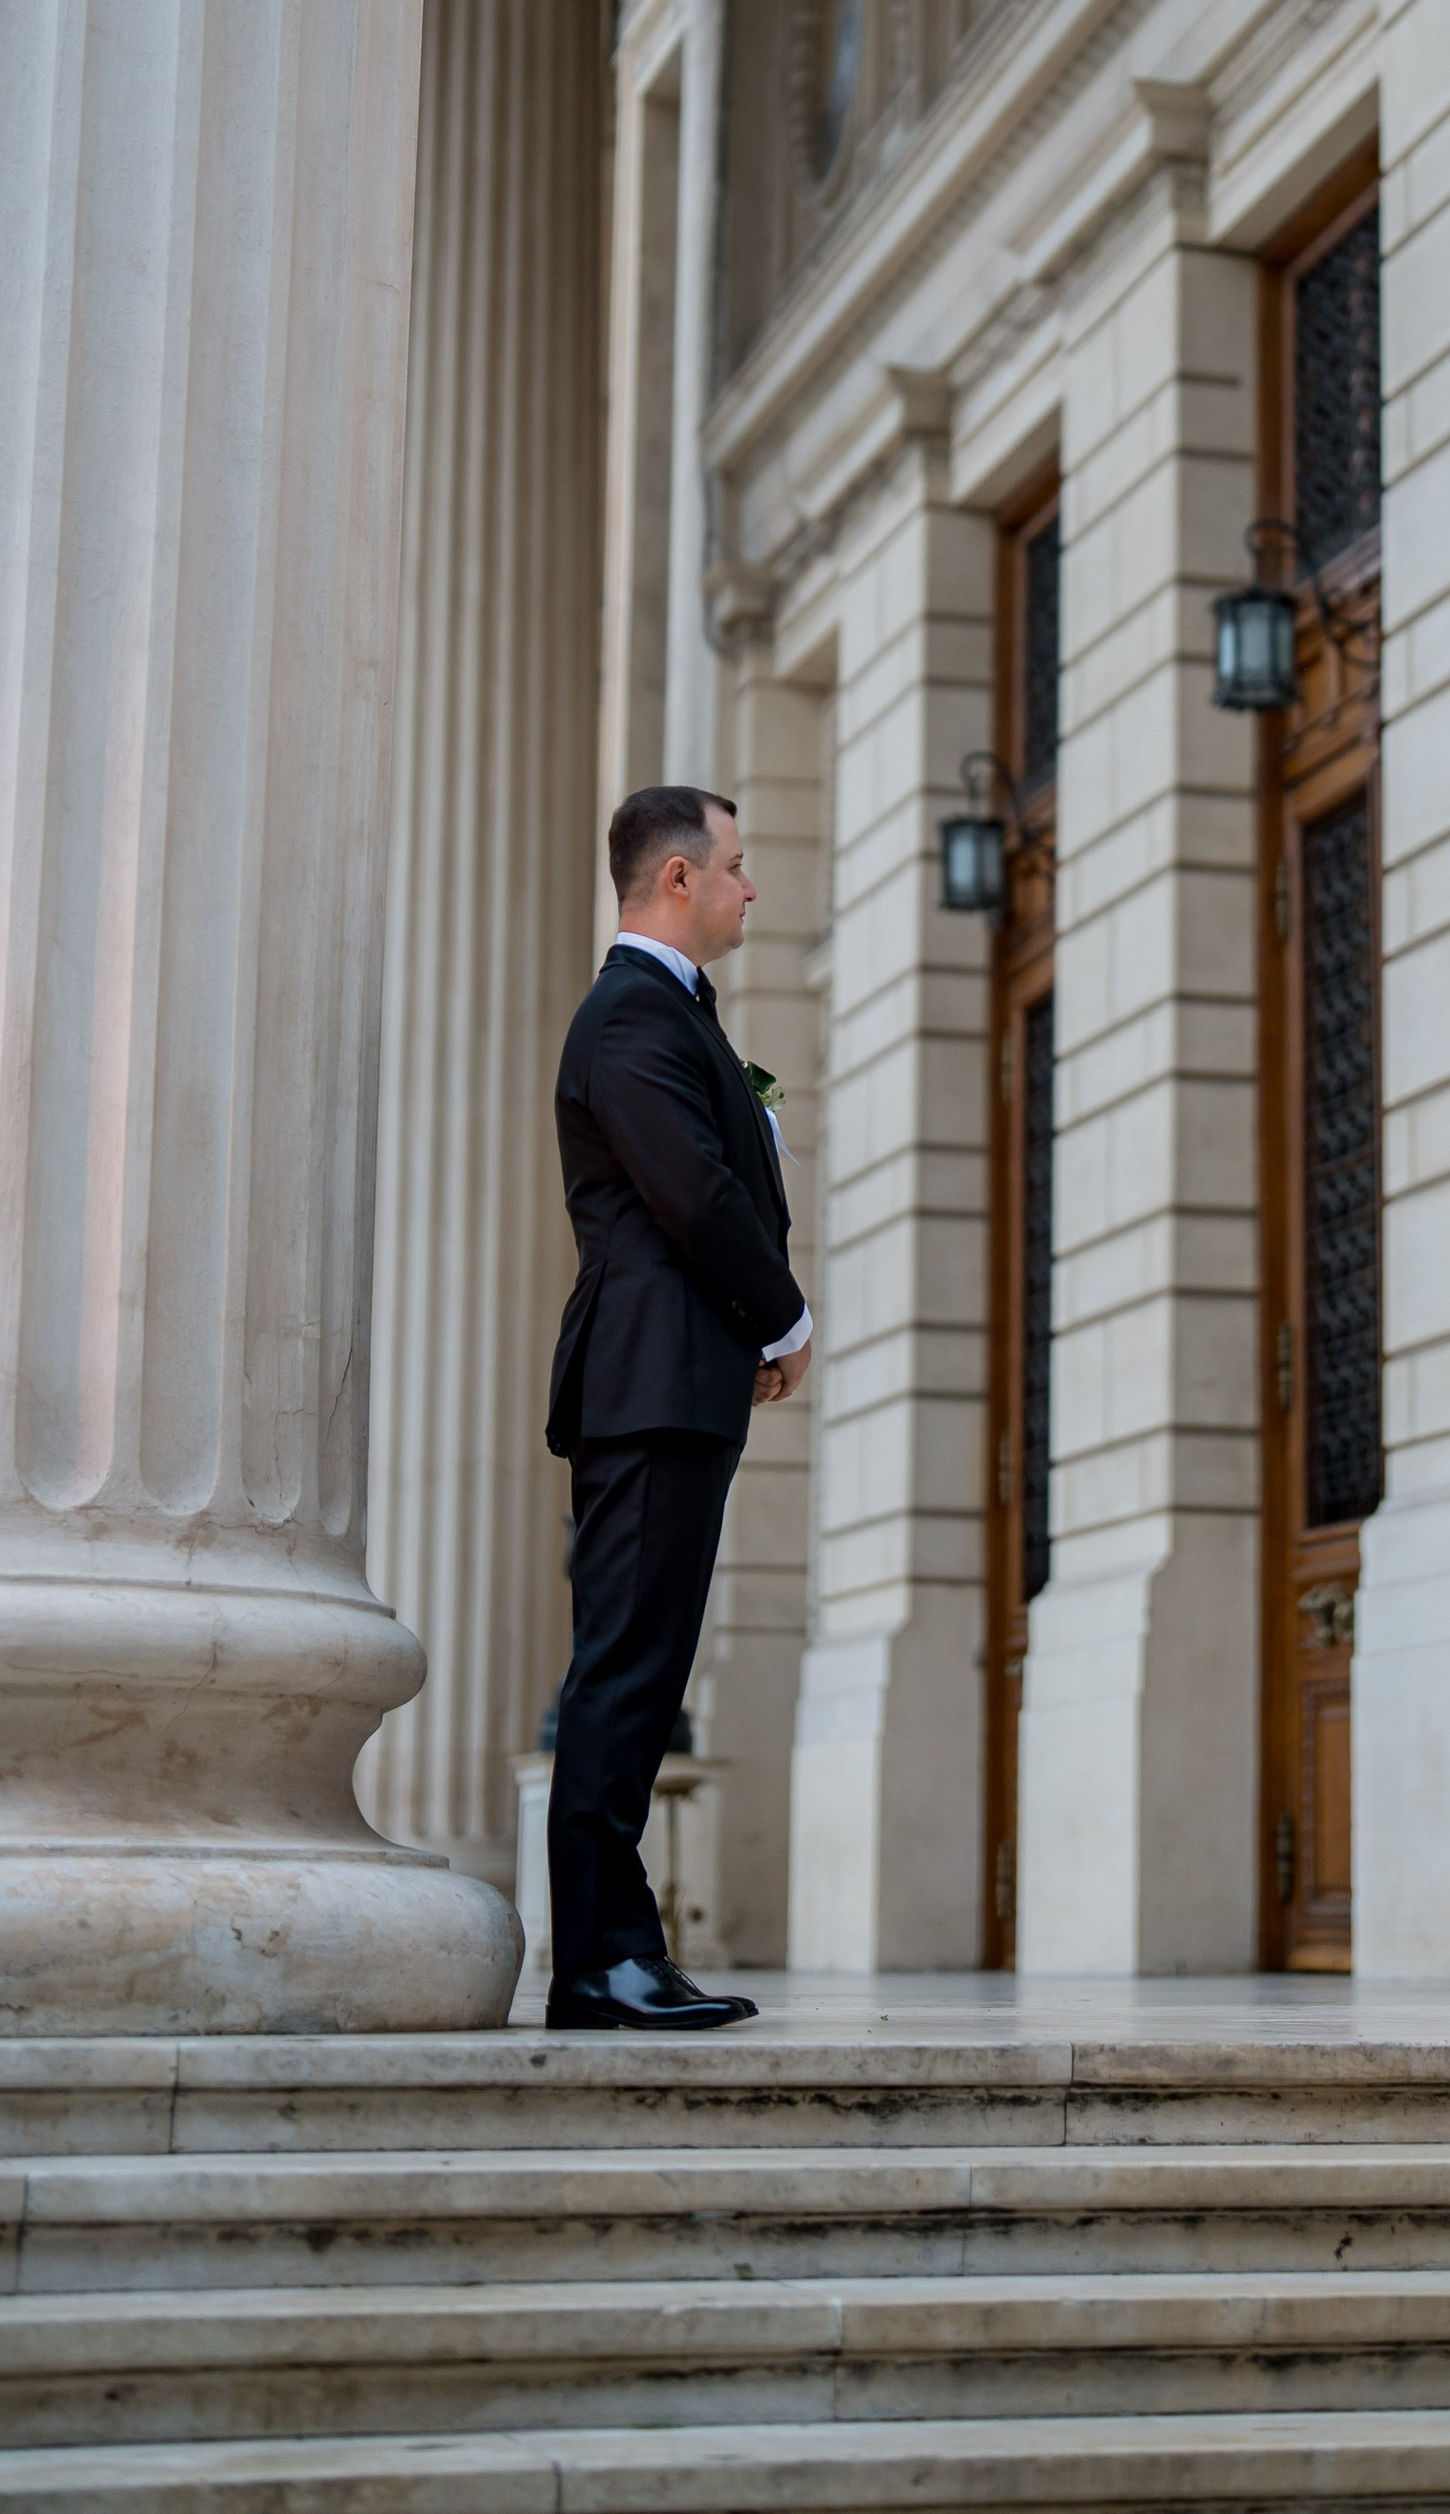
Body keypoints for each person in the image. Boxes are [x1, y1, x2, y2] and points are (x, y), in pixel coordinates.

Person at [543, 786, 813, 2030]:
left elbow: (724, 1180)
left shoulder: (676, 1017)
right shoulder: (631, 1016)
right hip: (650, 1381)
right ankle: (601, 1960)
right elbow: (695, 1197)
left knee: (642, 1672)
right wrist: (786, 1314)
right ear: (676, 882)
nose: (751, 889)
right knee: (624, 1670)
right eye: (738, 868)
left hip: (679, 1377)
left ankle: (617, 1949)